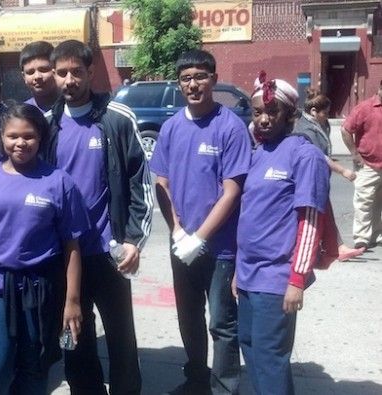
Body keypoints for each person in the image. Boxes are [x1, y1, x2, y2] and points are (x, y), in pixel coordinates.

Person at [42, 40, 152, 395]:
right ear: (54, 76)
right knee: (74, 336)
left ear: (91, 72)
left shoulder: (117, 119)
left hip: (109, 253)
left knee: (121, 338)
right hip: (63, 256)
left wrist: (135, 240)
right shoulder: (46, 126)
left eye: (77, 72)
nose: (69, 80)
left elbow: (140, 184)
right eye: (62, 73)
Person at [0, 103, 88, 394]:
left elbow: (72, 246)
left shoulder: (59, 182)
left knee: (35, 368)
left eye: (28, 136)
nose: (21, 143)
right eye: (13, 136)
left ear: (40, 138)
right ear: (2, 137)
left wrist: (72, 301)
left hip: (39, 289)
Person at [149, 50, 246, 395]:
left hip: (219, 248)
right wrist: (176, 229)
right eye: (186, 78)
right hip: (181, 243)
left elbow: (232, 191)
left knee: (222, 323)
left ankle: (224, 387)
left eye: (200, 76)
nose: (194, 84)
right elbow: (162, 183)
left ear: (214, 80)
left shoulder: (230, 126)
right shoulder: (172, 127)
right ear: (179, 84)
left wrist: (200, 237)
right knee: (188, 317)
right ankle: (196, 379)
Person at [234, 74, 330, 395]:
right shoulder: (258, 153)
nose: (263, 119)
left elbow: (310, 221)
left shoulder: (304, 155)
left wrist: (297, 280)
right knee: (250, 349)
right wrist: (237, 271)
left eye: (272, 112)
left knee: (270, 358)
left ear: (290, 114)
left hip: (276, 280)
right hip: (247, 276)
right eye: (257, 111)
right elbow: (250, 216)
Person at [293, 90, 364, 262]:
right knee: (314, 216)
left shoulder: (320, 125)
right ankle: (328, 248)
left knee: (327, 213)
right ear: (313, 112)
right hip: (309, 179)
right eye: (325, 113)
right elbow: (320, 156)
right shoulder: (304, 130)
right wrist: (343, 170)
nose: (327, 116)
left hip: (320, 179)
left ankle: (337, 247)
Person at [341, 80, 382, 251]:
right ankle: (362, 239)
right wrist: (354, 153)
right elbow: (345, 129)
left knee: (378, 203)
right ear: (380, 88)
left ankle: (375, 235)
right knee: (364, 202)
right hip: (368, 165)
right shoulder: (364, 108)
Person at [20, 41, 58, 113]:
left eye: (44, 70)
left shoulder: (72, 108)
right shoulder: (22, 114)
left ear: (56, 71)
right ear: (24, 77)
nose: (37, 77)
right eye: (30, 72)